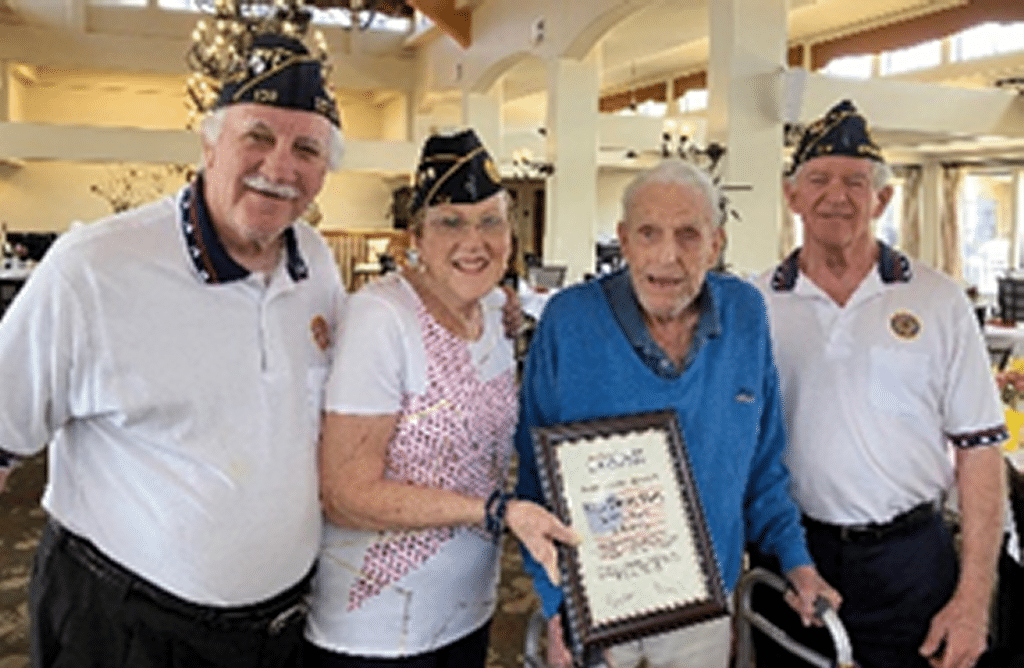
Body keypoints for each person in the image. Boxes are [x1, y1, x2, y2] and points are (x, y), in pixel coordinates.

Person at [0, 31, 347, 668]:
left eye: (306, 148)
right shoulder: (95, 268)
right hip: (122, 628)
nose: (280, 168)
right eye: (258, 136)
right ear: (210, 141)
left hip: (279, 627)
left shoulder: (318, 266)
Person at [515, 158, 840, 668]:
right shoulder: (568, 321)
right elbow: (535, 481)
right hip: (596, 611)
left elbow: (762, 468)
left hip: (703, 611)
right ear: (623, 240)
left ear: (716, 243)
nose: (668, 256)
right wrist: (556, 606)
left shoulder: (746, 316)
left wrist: (796, 561)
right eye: (649, 233)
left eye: (689, 234)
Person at [305, 128, 578, 668]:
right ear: (416, 238)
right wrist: (492, 511)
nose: (472, 240)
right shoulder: (382, 319)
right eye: (450, 222)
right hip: (376, 631)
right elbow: (345, 494)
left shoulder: (496, 318)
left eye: (489, 221)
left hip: (466, 613)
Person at [752, 99, 1007, 668]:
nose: (835, 194)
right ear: (792, 197)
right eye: (817, 179)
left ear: (882, 199)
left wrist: (973, 602)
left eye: (855, 181)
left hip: (910, 562)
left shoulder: (939, 300)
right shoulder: (752, 302)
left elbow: (980, 450)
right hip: (792, 555)